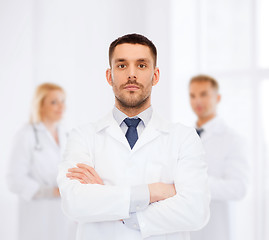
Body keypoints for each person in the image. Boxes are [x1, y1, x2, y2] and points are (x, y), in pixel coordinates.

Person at [57, 33, 210, 240]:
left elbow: (195, 211)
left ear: (155, 76)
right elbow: (74, 203)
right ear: (109, 75)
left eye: (141, 65)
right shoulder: (83, 137)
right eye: (121, 65)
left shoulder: (183, 138)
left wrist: (111, 203)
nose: (131, 74)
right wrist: (154, 192)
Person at [7, 83, 76, 240]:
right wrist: (49, 191)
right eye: (54, 102)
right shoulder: (26, 135)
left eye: (63, 101)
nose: (61, 106)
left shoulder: (66, 133)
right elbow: (14, 180)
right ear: (40, 105)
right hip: (37, 214)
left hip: (64, 215)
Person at [189, 74, 249, 240]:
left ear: (218, 97)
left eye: (203, 94)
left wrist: (195, 184)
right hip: (187, 228)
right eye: (192, 96)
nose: (197, 101)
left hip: (217, 229)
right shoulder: (184, 136)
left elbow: (239, 188)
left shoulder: (233, 139)